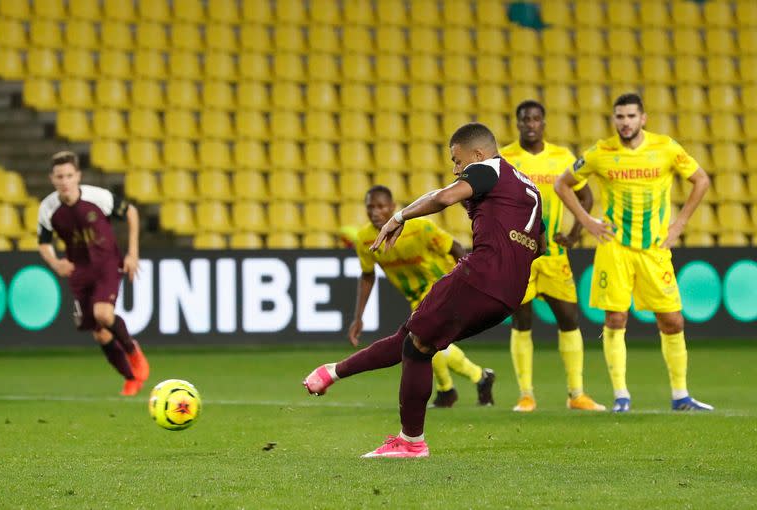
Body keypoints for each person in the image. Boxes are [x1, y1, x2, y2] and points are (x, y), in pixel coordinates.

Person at [304, 123, 544, 457]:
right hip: (509, 294)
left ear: (477, 154)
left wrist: (400, 216)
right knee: (416, 342)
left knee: (415, 345)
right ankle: (332, 373)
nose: (456, 170)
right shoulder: (528, 187)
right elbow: (539, 244)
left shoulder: (489, 170)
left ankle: (410, 441)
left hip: (481, 276)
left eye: (457, 161)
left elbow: (443, 197)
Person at [554, 93, 713, 412]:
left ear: (643, 118)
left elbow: (701, 180)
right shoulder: (601, 152)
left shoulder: (665, 148)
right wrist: (586, 221)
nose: (625, 122)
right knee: (615, 318)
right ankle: (621, 396)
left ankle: (681, 395)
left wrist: (679, 223)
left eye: (630, 116)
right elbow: (562, 184)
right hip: (614, 248)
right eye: (619, 117)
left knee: (672, 321)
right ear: (614, 120)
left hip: (654, 248)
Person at [500, 101, 605, 412]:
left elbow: (584, 193)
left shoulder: (562, 157)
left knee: (570, 319)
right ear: (517, 123)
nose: (530, 124)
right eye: (524, 119)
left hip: (555, 255)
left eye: (535, 119)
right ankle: (526, 395)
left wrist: (574, 234)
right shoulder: (505, 158)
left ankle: (576, 394)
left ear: (544, 123)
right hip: (520, 255)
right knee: (522, 320)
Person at [349, 185, 495, 408]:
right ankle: (475, 378)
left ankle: (449, 389)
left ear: (393, 207)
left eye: (381, 206)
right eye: (370, 207)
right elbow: (368, 276)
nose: (375, 212)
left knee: (421, 339)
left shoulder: (420, 228)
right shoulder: (365, 239)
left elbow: (455, 247)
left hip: (442, 288)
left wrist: (470, 282)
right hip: (416, 296)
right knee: (428, 342)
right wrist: (358, 317)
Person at [37, 151, 149, 396]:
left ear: (77, 176)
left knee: (103, 314)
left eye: (69, 175)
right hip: (80, 270)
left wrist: (133, 253)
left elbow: (130, 212)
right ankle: (130, 377)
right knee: (99, 332)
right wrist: (55, 263)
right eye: (59, 177)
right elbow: (43, 242)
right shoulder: (48, 208)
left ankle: (133, 351)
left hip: (106, 263)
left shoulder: (98, 197)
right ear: (52, 179)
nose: (65, 181)